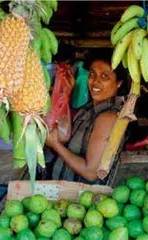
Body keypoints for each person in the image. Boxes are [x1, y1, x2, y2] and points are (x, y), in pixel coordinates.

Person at [45, 50, 127, 184]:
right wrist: (67, 92)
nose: (95, 82)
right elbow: (68, 129)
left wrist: (55, 144)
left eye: (105, 76)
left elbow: (91, 173)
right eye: (92, 74)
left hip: (82, 198)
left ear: (119, 83)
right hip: (64, 194)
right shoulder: (90, 108)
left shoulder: (108, 117)